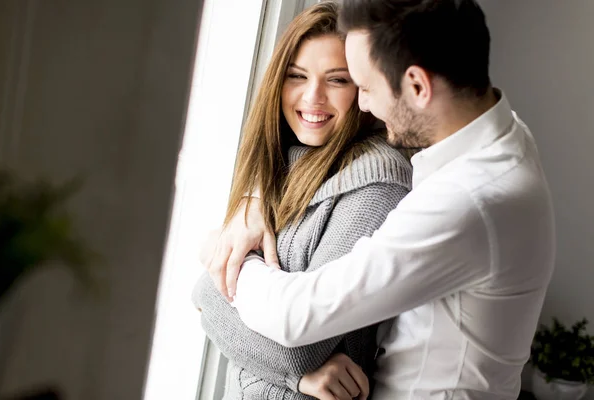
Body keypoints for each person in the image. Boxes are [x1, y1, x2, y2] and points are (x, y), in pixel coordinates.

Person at [203, 0, 556, 399]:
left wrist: (218, 252)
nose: (364, 105)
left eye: (365, 87)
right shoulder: (501, 133)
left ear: (418, 86)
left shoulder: (467, 200)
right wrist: (252, 200)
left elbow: (295, 316)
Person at [192, 2, 412, 399]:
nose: (313, 97)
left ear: (362, 89)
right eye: (297, 76)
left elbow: (301, 346)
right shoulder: (284, 163)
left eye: (337, 80)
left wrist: (214, 268)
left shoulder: (377, 181)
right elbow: (206, 297)